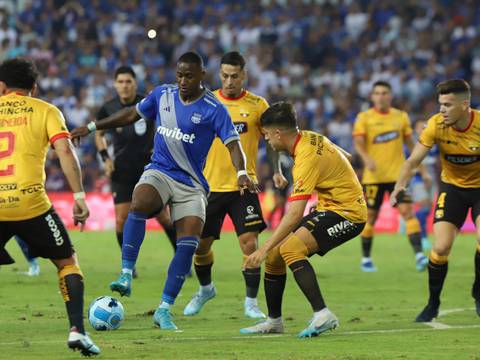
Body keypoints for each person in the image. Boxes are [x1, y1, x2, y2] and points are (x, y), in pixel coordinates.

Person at [71, 51, 257, 331]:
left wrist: (241, 172)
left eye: (189, 76)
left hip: (192, 183)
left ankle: (164, 309)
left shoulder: (213, 108)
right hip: (160, 170)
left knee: (188, 244)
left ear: (201, 76)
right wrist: (93, 126)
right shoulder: (162, 94)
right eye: (180, 74)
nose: (183, 80)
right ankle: (125, 274)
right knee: (140, 201)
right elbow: (131, 114)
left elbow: (233, 144)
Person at [240, 102, 367, 337]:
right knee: (275, 258)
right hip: (329, 208)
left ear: (278, 133)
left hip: (348, 213)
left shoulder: (306, 158)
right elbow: (345, 155)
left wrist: (262, 249)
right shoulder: (309, 137)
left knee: (288, 249)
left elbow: (295, 213)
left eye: (267, 135)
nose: (267, 140)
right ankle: (274, 322)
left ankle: (322, 314)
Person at [0, 58, 99, 356]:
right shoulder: (46, 110)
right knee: (67, 263)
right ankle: (77, 331)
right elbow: (65, 151)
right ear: (34, 87)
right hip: (31, 204)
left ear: (2, 86)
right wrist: (79, 196)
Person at [183, 51, 288, 319]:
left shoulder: (257, 104)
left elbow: (271, 141)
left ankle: (251, 303)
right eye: (225, 76)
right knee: (201, 247)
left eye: (234, 76)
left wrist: (276, 170)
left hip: (244, 186)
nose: (229, 81)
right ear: (219, 75)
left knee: (249, 244)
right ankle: (206, 289)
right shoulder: (206, 102)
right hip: (208, 188)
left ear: (244, 76)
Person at [391, 79, 480, 321]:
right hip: (452, 189)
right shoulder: (436, 125)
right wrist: (400, 185)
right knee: (440, 248)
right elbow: (412, 161)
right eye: (440, 103)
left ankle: (478, 291)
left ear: (464, 105)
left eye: (448, 104)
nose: (442, 109)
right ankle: (433, 303)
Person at [95, 66, 177, 277]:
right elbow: (99, 134)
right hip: (121, 170)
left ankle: (181, 260)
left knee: (163, 217)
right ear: (115, 84)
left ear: (135, 83)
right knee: (121, 219)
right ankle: (128, 267)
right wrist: (105, 158)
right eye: (120, 82)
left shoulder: (147, 102)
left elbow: (167, 122)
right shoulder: (108, 108)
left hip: (148, 169)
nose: (124, 85)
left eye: (128, 82)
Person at [352, 81, 430, 272]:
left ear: (390, 95)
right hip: (374, 177)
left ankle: (420, 256)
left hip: (398, 177)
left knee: (407, 213)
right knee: (370, 217)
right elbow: (358, 142)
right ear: (372, 96)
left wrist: (423, 171)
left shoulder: (401, 117)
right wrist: (366, 158)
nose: (380, 96)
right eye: (377, 93)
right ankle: (366, 259)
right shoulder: (364, 118)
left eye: (384, 92)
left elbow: (412, 145)